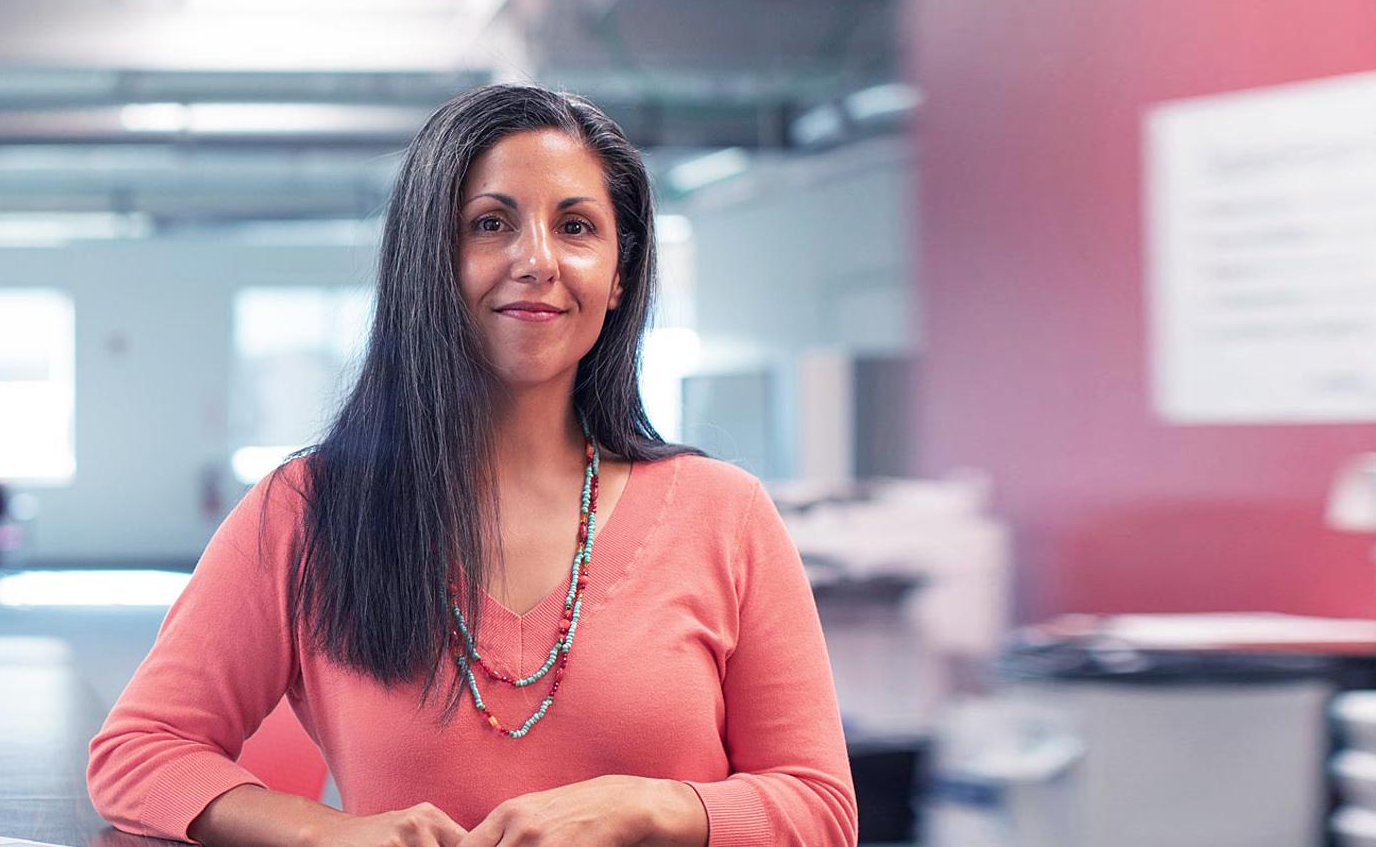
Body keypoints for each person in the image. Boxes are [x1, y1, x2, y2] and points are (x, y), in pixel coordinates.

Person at [88, 83, 857, 846]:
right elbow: (138, 752)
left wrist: (649, 808)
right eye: (491, 223)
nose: (537, 260)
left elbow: (822, 810)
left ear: (620, 276)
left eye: (577, 226)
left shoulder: (725, 513)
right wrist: (321, 831)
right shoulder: (308, 509)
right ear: (431, 260)